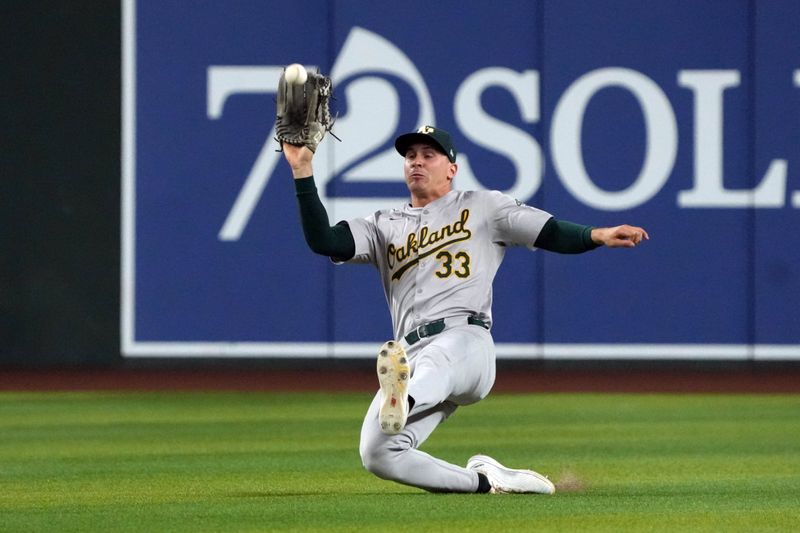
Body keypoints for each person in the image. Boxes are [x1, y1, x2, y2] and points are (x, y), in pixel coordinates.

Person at [282, 125, 648, 494]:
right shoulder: (383, 225)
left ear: (452, 168)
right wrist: (302, 170)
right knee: (377, 453)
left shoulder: (483, 207)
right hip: (410, 352)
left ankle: (403, 397)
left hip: (466, 342)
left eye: (429, 155)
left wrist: (596, 235)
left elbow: (548, 231)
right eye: (410, 156)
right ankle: (485, 482)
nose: (417, 162)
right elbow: (324, 240)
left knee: (436, 361)